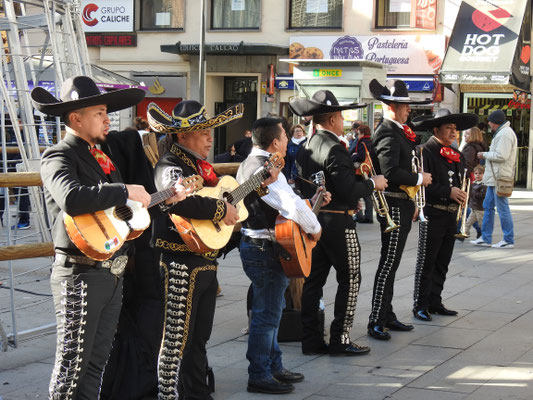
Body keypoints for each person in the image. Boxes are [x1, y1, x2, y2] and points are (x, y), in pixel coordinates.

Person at [32, 76, 185, 399]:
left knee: (96, 363)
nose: (107, 119)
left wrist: (162, 201)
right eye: (99, 112)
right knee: (72, 365)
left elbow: (123, 218)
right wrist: (123, 189)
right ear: (76, 118)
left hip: (110, 271)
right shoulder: (58, 155)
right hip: (79, 274)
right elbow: (72, 198)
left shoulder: (102, 157)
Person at [148, 99, 248, 399]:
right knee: (176, 339)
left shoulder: (201, 168)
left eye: (209, 130)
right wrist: (220, 208)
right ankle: (170, 394)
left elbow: (223, 200)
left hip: (204, 260)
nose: (209, 137)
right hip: (179, 261)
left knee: (199, 338)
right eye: (202, 131)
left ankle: (197, 393)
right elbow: (182, 200)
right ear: (181, 136)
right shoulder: (170, 165)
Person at [291, 90, 387, 356]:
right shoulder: (335, 148)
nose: (343, 120)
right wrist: (371, 183)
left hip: (315, 220)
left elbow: (306, 186)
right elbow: (346, 189)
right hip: (339, 225)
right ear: (332, 118)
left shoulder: (306, 147)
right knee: (351, 278)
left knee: (314, 281)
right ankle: (340, 339)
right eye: (341, 115)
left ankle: (310, 340)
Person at [236, 117, 328, 394]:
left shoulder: (259, 163)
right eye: (286, 137)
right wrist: (315, 227)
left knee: (271, 311)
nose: (288, 142)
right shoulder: (260, 167)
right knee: (266, 314)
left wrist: (312, 204)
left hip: (264, 246)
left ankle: (273, 366)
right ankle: (260, 373)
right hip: (264, 248)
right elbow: (288, 204)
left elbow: (290, 201)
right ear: (275, 142)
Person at [366, 79, 432, 341]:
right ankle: (375, 320)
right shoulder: (387, 131)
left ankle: (387, 314)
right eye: (405, 106)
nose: (408, 111)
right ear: (392, 107)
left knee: (392, 263)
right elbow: (391, 171)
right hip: (392, 202)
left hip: (401, 201)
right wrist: (419, 179)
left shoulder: (397, 130)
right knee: (389, 262)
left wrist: (413, 198)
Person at [411, 108, 478, 321]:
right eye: (448, 128)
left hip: (451, 215)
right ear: (436, 129)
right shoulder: (424, 152)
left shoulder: (457, 155)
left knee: (443, 262)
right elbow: (421, 187)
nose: (453, 132)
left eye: (455, 128)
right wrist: (448, 191)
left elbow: (460, 182)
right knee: (427, 262)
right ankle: (420, 304)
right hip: (432, 213)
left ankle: (435, 301)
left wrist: (462, 194)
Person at [472, 110, 517, 249]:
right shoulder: (503, 132)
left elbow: (501, 155)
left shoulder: (505, 134)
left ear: (495, 122)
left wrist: (484, 154)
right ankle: (486, 238)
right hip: (495, 177)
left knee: (502, 208)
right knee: (488, 206)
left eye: (490, 121)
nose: (489, 124)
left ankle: (508, 239)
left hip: (499, 177)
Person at [352, 124, 374, 223]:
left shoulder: (362, 143)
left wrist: (353, 156)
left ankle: (359, 215)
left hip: (360, 171)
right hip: (367, 170)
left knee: (357, 192)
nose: (357, 136)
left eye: (358, 134)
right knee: (367, 194)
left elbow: (361, 156)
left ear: (362, 133)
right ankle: (369, 215)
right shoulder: (370, 141)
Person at [464, 165, 487, 238]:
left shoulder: (483, 185)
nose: (477, 175)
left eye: (480, 173)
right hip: (474, 207)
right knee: (468, 222)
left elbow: (482, 195)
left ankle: (484, 236)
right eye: (476, 173)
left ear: (483, 174)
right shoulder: (474, 183)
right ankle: (465, 233)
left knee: (481, 223)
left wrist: (474, 193)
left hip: (480, 208)